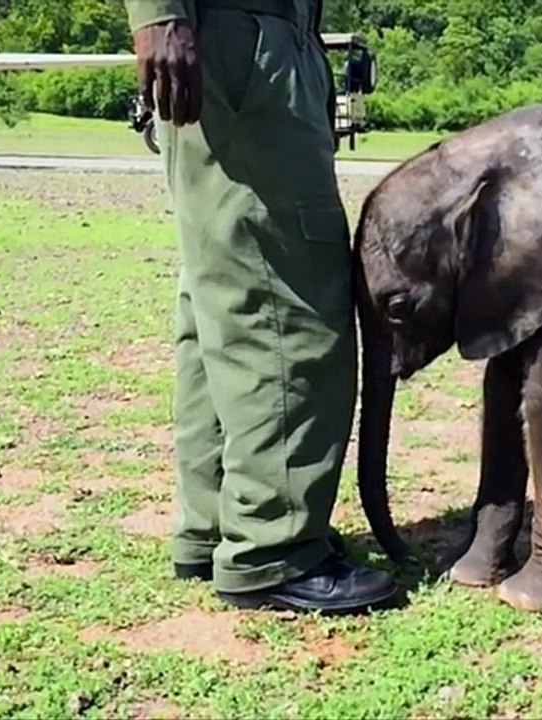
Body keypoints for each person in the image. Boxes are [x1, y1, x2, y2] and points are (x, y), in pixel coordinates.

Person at [125, 0, 399, 614]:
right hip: (245, 39)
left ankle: (220, 525)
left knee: (229, 285)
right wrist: (158, 13)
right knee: (286, 296)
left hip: (252, 40)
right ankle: (273, 545)